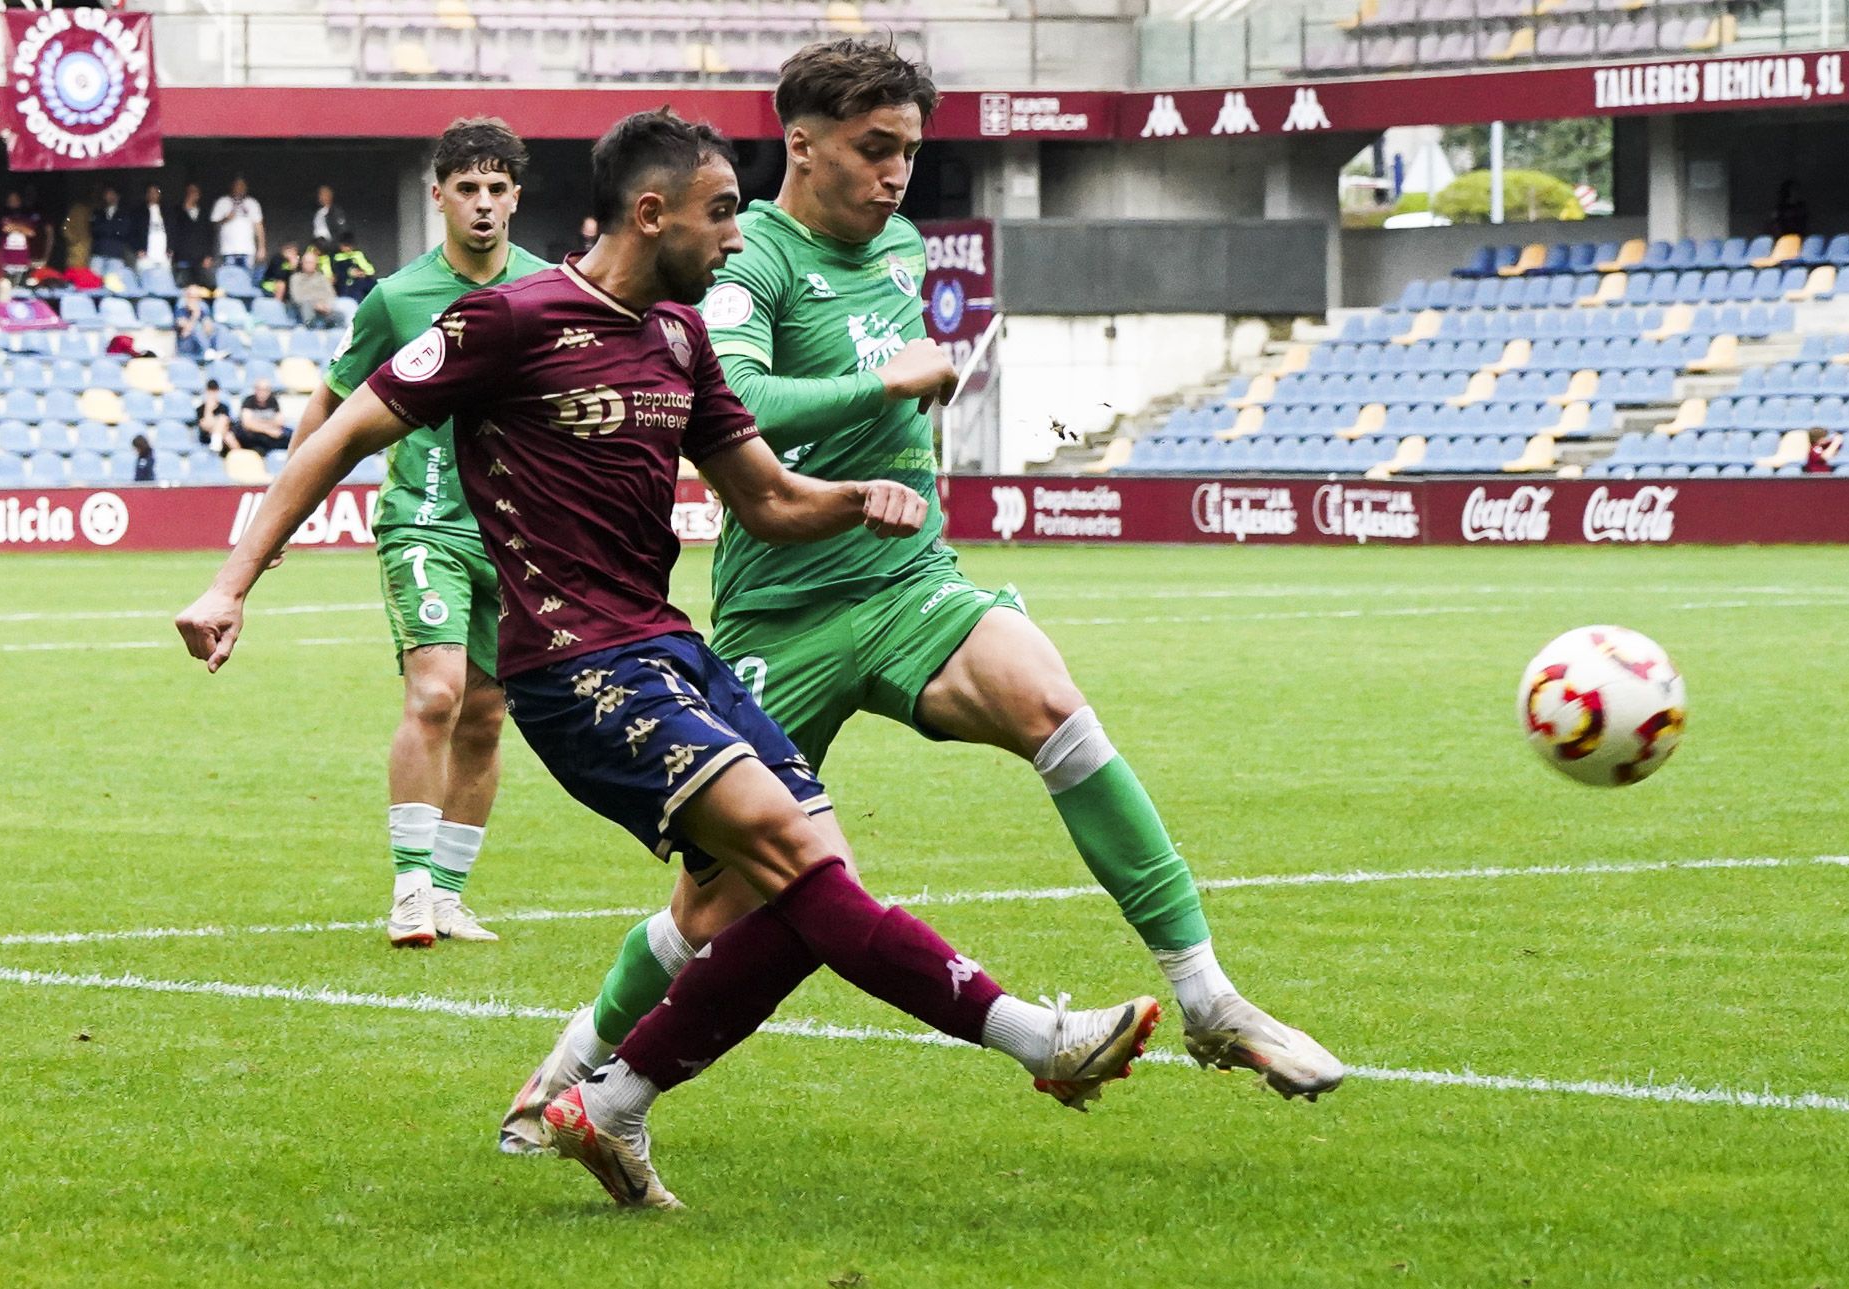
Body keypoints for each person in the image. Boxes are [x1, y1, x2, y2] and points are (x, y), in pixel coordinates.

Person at [175, 107, 1157, 1212]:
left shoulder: (681, 341)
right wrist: (230, 581)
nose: (736, 240)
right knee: (797, 856)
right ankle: (1036, 1037)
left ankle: (610, 1097)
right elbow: (345, 431)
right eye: (720, 214)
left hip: (671, 649)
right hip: (571, 667)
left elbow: (769, 501)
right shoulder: (505, 320)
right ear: (651, 213)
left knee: (783, 888)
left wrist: (854, 500)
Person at [499, 40, 1343, 1154]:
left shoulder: (898, 244)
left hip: (908, 583)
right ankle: (579, 1069)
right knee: (726, 903)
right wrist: (884, 382)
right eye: (872, 148)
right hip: (781, 616)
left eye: (907, 150)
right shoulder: (746, 262)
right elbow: (737, 401)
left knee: (1052, 705)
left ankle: (1206, 997)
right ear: (799, 145)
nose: (896, 173)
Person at [286, 117, 553, 947]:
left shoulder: (551, 290)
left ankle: (447, 893)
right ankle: (407, 892)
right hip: (425, 523)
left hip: (514, 538)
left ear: (516, 196)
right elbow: (332, 404)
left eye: (496, 188)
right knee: (436, 693)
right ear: (437, 195)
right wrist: (284, 506)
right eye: (465, 188)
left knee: (485, 715)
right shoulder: (397, 299)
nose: (482, 204)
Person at [211, 176, 265, 274]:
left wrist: (261, 247)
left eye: (242, 186)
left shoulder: (252, 203)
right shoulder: (222, 202)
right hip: (228, 251)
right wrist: (226, 219)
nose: (240, 188)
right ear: (232, 186)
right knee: (230, 279)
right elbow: (214, 225)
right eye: (237, 185)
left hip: (247, 251)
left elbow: (259, 226)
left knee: (246, 278)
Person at [89, 185, 137, 283]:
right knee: (94, 283)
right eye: (108, 194)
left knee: (113, 284)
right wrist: (112, 228)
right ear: (104, 196)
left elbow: (124, 231)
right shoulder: (98, 213)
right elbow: (94, 230)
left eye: (113, 194)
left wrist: (106, 228)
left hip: (116, 254)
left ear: (118, 196)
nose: (111, 196)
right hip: (98, 253)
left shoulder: (124, 214)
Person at [284, 245, 341, 328]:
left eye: (311, 262)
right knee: (306, 308)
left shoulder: (322, 278)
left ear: (316, 264)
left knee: (340, 316)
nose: (309, 265)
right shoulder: (295, 278)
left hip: (323, 308)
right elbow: (297, 297)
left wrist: (326, 305)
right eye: (307, 262)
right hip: (304, 308)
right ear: (302, 264)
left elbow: (331, 294)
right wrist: (315, 304)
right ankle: (311, 332)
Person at [0, 191, 47, 282]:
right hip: (6, 259)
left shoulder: (26, 216)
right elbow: (5, 228)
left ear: (20, 201)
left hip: (22, 259)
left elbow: (31, 232)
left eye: (15, 199)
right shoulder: (2, 214)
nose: (13, 202)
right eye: (11, 200)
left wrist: (15, 227)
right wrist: (21, 228)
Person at [171, 181, 214, 285]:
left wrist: (209, 255)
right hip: (182, 258)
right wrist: (185, 208)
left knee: (203, 287)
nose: (193, 194)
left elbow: (209, 235)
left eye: (195, 192)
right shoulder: (177, 211)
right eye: (190, 192)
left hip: (201, 259)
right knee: (183, 286)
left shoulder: (204, 212)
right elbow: (173, 231)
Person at [236, 377, 287, 453]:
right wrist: (268, 430)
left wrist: (257, 423)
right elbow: (247, 424)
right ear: (255, 390)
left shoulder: (273, 401)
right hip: (254, 436)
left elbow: (280, 421)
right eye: (259, 389)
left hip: (269, 436)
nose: (262, 393)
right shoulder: (248, 401)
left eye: (265, 390)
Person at [136, 182, 175, 275]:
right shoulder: (139, 212)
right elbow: (134, 232)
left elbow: (173, 231)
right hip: (145, 257)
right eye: (150, 192)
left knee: (163, 283)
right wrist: (138, 249)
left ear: (159, 194)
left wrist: (171, 248)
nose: (153, 195)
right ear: (146, 195)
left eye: (156, 192)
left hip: (163, 256)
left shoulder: (167, 212)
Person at [174, 282, 217, 360]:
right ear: (186, 297)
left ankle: (214, 352)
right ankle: (207, 352)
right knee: (196, 326)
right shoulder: (181, 309)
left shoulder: (203, 309)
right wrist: (195, 315)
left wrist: (206, 325)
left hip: (200, 345)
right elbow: (185, 332)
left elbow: (209, 330)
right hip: (186, 346)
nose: (193, 300)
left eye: (196, 297)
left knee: (219, 327)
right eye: (191, 297)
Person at [193, 380, 236, 455]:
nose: (212, 393)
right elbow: (205, 426)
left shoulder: (224, 407)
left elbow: (227, 424)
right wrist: (208, 409)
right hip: (206, 437)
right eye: (210, 390)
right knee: (227, 433)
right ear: (206, 391)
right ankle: (217, 443)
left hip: (223, 436)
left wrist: (216, 426)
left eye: (214, 390)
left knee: (227, 433)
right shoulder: (200, 409)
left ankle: (217, 443)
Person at [327, 235, 376, 299]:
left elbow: (370, 270)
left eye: (348, 246)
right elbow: (334, 274)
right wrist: (349, 273)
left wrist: (362, 273)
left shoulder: (358, 254)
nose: (346, 249)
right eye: (344, 246)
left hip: (358, 281)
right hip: (343, 283)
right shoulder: (334, 256)